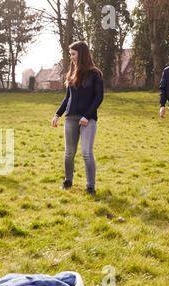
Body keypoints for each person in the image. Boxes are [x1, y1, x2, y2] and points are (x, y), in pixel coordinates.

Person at [51, 41, 104, 195]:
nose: (71, 57)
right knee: (69, 152)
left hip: (88, 119)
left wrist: (87, 116)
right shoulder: (71, 73)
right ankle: (68, 181)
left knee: (87, 152)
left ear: (81, 54)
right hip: (71, 117)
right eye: (70, 54)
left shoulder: (95, 74)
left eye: (73, 54)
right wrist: (57, 115)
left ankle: (90, 187)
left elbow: (98, 97)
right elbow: (67, 98)